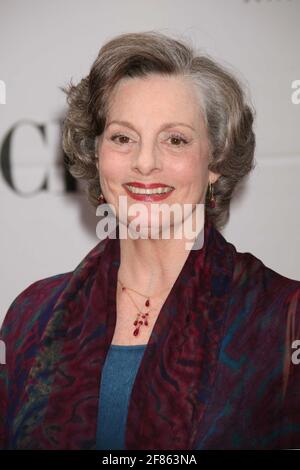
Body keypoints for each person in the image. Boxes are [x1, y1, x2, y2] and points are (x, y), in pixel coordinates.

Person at [1, 30, 300, 451]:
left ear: (214, 159)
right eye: (122, 138)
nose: (145, 162)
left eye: (175, 139)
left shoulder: (283, 319)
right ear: (97, 153)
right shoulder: (31, 316)